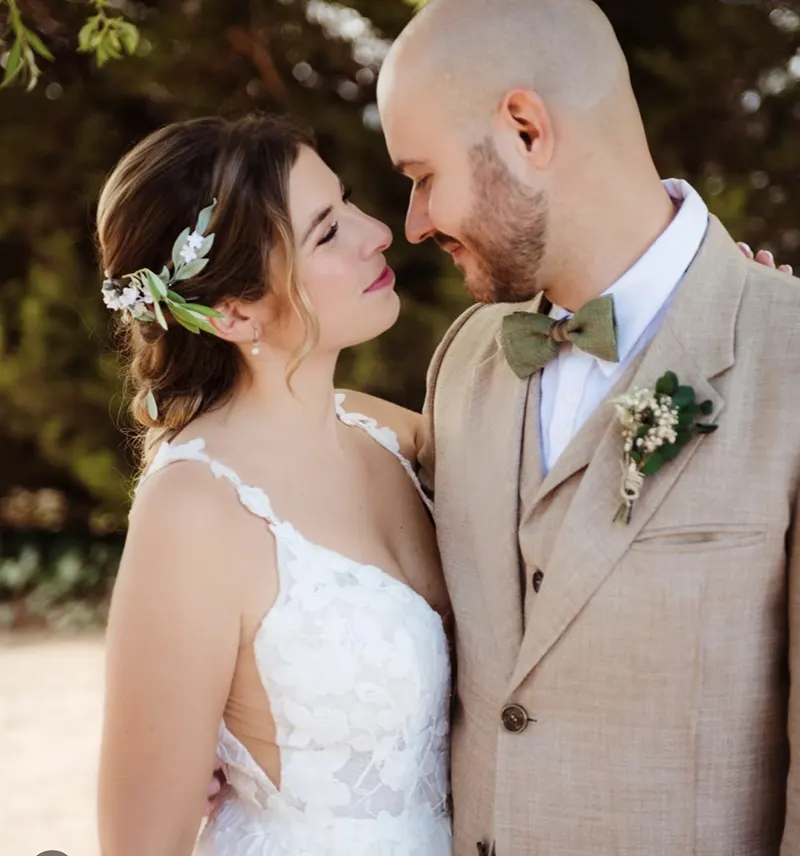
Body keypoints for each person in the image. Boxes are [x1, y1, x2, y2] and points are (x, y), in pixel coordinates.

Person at [372, 0, 800, 853]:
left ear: (526, 129)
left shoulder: (787, 353)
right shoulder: (465, 358)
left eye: (422, 174)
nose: (414, 222)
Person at [96, 114, 452, 856]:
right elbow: (139, 843)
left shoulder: (391, 433)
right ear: (233, 311)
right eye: (326, 233)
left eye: (347, 202)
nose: (377, 231)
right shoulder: (193, 509)